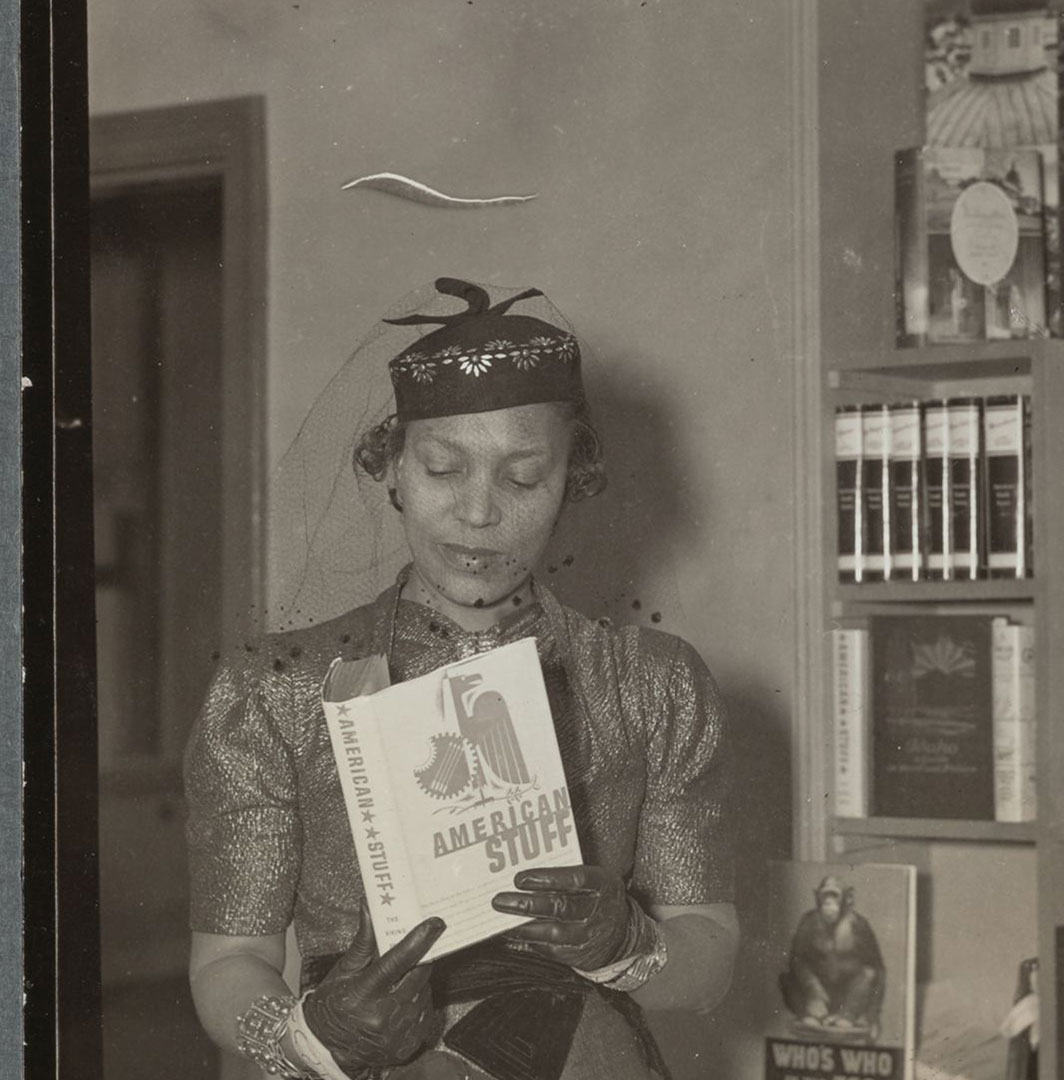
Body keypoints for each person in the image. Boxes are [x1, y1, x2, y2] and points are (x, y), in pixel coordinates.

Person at [184, 278, 739, 1080]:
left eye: (522, 479)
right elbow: (226, 962)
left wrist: (629, 945)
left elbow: (710, 959)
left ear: (570, 481)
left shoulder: (653, 684)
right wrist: (312, 1035)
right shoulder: (275, 688)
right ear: (392, 468)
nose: (479, 516)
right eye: (444, 470)